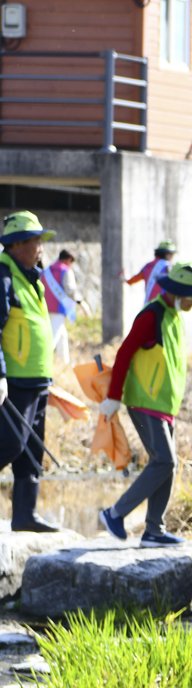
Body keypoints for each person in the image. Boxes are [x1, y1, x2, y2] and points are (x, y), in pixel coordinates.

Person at [95, 262, 192, 545]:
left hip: (164, 405)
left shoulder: (174, 316)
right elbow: (123, 354)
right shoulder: (152, 315)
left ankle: (154, 531)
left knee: (167, 464)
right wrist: (114, 396)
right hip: (144, 402)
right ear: (179, 291)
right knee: (164, 461)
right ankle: (115, 513)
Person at [0, 212, 64, 532]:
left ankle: (25, 515)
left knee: (31, 448)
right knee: (10, 442)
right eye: (36, 241)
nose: (41, 247)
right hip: (15, 378)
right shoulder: (4, 277)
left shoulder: (31, 277)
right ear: (17, 244)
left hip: (38, 378)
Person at [43, 248, 79, 370]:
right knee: (52, 338)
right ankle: (44, 363)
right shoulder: (66, 270)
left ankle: (65, 364)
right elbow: (70, 290)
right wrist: (77, 302)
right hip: (59, 308)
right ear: (69, 259)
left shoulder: (47, 270)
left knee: (61, 335)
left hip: (45, 307)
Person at [125, 239, 175, 307]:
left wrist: (125, 279)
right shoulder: (167, 266)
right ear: (167, 254)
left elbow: (132, 280)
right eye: (171, 254)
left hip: (148, 306)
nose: (172, 256)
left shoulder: (147, 266)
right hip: (162, 306)